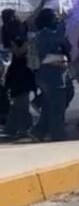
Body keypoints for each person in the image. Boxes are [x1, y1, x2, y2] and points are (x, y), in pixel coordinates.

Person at [31, 8, 71, 142]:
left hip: (56, 75)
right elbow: (48, 53)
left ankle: (38, 132)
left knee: (50, 106)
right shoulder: (44, 35)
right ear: (47, 20)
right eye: (55, 18)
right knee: (57, 106)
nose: (57, 20)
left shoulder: (48, 34)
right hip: (50, 77)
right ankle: (57, 135)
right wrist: (64, 20)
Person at [2, 8, 36, 139]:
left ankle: (11, 127)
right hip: (18, 70)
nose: (17, 16)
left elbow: (32, 17)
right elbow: (17, 52)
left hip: (24, 68)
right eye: (15, 14)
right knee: (21, 100)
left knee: (19, 101)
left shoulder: (22, 27)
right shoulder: (7, 32)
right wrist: (29, 43)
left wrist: (42, 3)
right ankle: (25, 128)